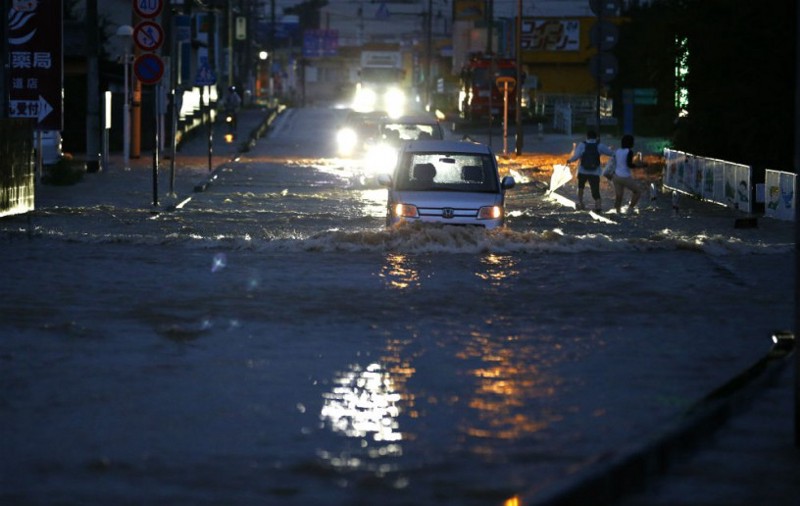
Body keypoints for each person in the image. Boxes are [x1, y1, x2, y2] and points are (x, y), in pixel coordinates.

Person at [566, 130, 614, 211]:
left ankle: (581, 203)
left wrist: (570, 160)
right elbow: (611, 153)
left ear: (587, 137)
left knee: (581, 187)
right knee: (595, 189)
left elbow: (576, 156)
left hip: (582, 171)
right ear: (596, 137)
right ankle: (598, 205)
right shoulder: (599, 146)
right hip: (595, 172)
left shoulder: (582, 145)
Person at [612, 134, 643, 214]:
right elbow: (629, 164)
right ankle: (630, 208)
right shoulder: (629, 151)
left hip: (616, 176)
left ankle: (617, 211)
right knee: (637, 191)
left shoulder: (618, 151)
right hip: (624, 176)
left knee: (619, 196)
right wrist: (639, 165)